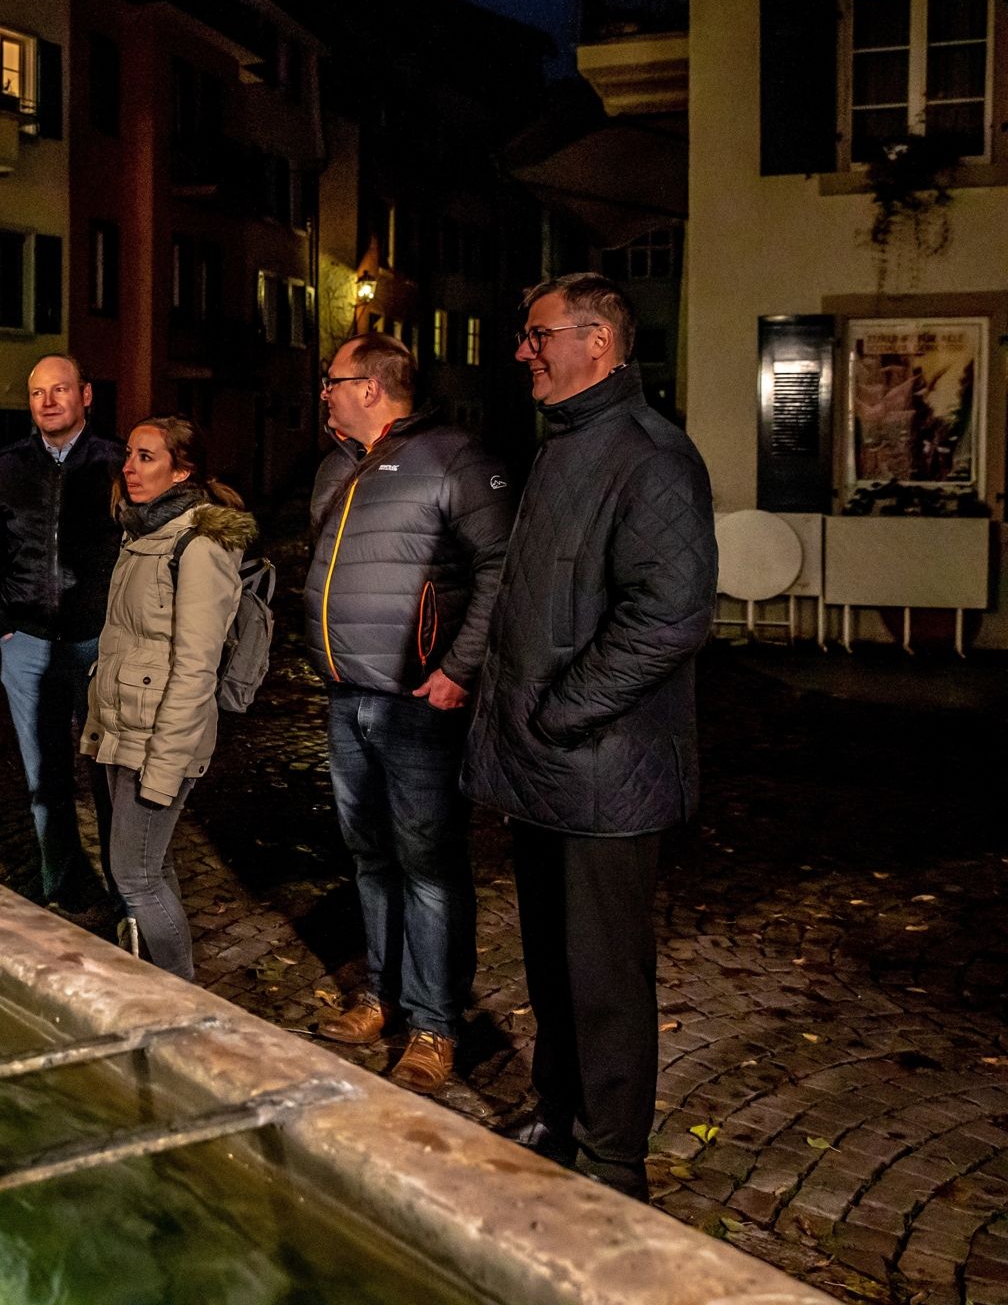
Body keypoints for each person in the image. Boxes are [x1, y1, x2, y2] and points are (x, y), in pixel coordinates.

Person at [463, 272, 715, 1199]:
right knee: (552, 963)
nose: (523, 351)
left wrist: (563, 709)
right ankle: (559, 1118)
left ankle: (612, 1161)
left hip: (606, 770)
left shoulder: (652, 457)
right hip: (547, 766)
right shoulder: (562, 448)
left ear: (596, 343)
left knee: (606, 977)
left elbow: (670, 614)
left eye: (538, 336)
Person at [304, 334, 515, 1094]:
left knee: (430, 865)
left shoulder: (452, 458)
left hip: (418, 703)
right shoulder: (339, 466)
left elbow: (500, 567)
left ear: (371, 386)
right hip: (346, 693)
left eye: (332, 381)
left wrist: (460, 669)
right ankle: (382, 997)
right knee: (369, 855)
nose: (322, 392)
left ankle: (435, 1024)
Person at [81, 417, 254, 980]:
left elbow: (196, 668)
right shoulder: (143, 534)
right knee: (150, 867)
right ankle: (162, 982)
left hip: (157, 737)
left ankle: (181, 999)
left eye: (146, 457)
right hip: (124, 727)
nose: (129, 467)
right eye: (129, 454)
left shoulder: (198, 546)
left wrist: (165, 763)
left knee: (134, 876)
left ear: (182, 471)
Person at [0, 353, 125, 904]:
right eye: (37, 393)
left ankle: (126, 889)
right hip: (28, 640)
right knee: (45, 778)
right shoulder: (6, 465)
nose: (48, 401)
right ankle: (63, 881)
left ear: (85, 395)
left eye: (59, 390)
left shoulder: (117, 464)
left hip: (97, 641)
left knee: (109, 775)